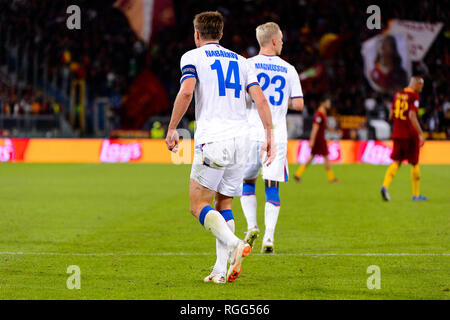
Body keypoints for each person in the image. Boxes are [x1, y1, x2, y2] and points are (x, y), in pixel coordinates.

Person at [165, 11, 274, 284]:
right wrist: (269, 133)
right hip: (242, 142)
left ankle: (236, 243)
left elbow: (187, 91)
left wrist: (172, 128)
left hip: (214, 140)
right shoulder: (242, 61)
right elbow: (259, 99)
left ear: (197, 34)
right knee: (224, 203)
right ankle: (219, 271)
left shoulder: (192, 57)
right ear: (222, 34)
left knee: (196, 205)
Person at [240, 22, 304, 253]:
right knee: (272, 187)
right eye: (282, 39)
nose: (283, 42)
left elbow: (240, 99)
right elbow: (298, 103)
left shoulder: (246, 65)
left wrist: (260, 99)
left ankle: (251, 225)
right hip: (275, 135)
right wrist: (278, 102)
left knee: (247, 183)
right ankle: (268, 237)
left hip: (249, 133)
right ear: (275, 41)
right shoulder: (289, 69)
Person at [381, 76, 427, 201]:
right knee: (414, 163)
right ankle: (416, 195)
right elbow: (412, 116)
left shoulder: (397, 94)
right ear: (416, 84)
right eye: (421, 86)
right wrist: (420, 133)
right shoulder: (414, 97)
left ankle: (385, 186)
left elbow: (391, 115)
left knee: (397, 162)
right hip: (410, 135)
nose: (421, 89)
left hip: (397, 133)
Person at [294, 97, 340, 183]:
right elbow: (315, 128)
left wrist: (335, 131)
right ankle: (331, 178)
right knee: (326, 157)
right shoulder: (319, 114)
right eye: (328, 102)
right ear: (323, 103)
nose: (329, 104)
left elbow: (325, 127)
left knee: (311, 157)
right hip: (319, 140)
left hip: (320, 139)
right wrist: (312, 140)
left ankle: (298, 174)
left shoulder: (323, 114)